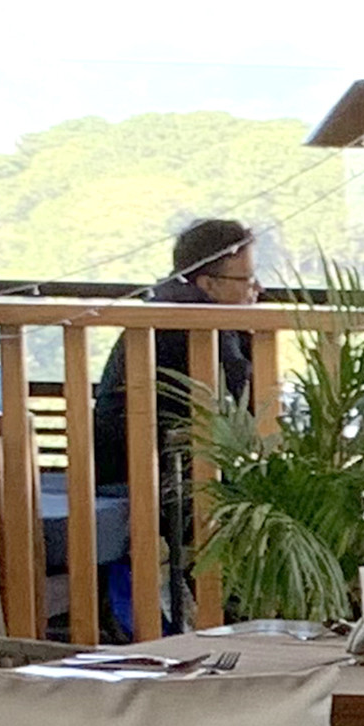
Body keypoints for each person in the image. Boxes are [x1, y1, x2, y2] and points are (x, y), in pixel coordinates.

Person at [89, 217, 260, 626]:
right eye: (247, 281)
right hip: (149, 470)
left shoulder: (173, 308)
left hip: (149, 462)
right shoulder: (195, 323)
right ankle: (225, 618)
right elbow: (246, 404)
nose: (257, 290)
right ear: (208, 284)